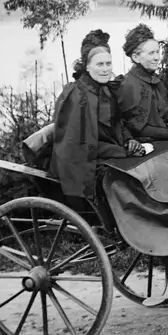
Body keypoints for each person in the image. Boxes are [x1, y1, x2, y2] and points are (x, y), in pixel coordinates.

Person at [50, 30, 148, 208]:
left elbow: (118, 123)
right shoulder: (77, 95)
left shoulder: (107, 90)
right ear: (86, 66)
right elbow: (81, 145)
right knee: (127, 180)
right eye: (99, 64)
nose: (105, 69)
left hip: (109, 154)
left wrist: (129, 140)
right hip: (83, 163)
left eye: (108, 64)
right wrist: (121, 152)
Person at [117, 23, 168, 151]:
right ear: (136, 57)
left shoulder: (159, 82)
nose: (157, 57)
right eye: (151, 53)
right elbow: (135, 128)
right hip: (148, 147)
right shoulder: (127, 85)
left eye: (158, 52)